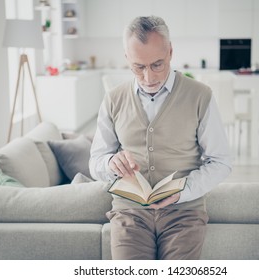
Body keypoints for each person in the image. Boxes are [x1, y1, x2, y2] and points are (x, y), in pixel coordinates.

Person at [89, 16, 232, 260]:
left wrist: (184, 191)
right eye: (138, 67)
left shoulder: (200, 95)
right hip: (129, 213)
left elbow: (221, 161)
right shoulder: (113, 99)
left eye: (157, 64)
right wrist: (110, 164)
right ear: (127, 58)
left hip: (184, 212)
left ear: (170, 52)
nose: (148, 77)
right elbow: (96, 162)